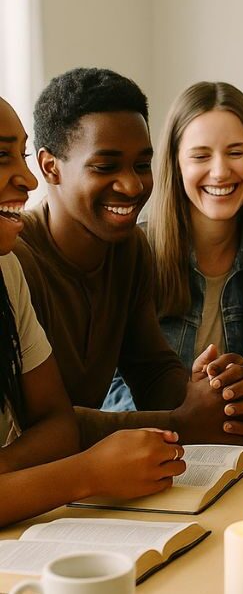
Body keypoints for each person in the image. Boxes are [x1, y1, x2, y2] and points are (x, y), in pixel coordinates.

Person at [14, 68, 243, 447]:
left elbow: (150, 369)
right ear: (50, 167)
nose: (132, 186)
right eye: (105, 166)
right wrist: (183, 421)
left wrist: (216, 396)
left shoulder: (129, 248)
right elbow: (43, 425)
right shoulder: (14, 259)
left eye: (142, 165)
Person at [0, 96, 186, 527]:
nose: (26, 179)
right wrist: (87, 473)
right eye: (1, 155)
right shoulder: (22, 255)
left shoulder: (5, 269)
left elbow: (57, 422)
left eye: (21, 155)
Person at [103, 81, 243, 410]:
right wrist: (180, 399)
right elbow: (106, 390)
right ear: (176, 163)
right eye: (200, 156)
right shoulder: (136, 252)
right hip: (157, 442)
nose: (221, 171)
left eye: (236, 152)